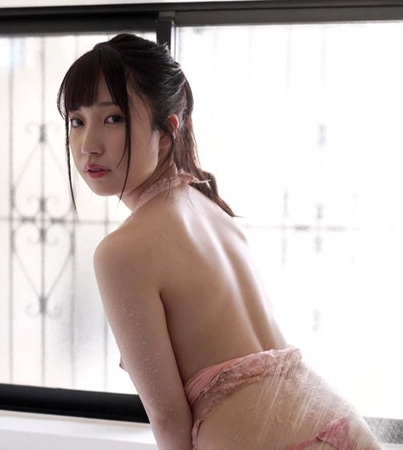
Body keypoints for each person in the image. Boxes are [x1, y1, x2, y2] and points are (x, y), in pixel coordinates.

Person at [57, 33, 380, 450]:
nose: (88, 145)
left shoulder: (122, 252)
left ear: (167, 132)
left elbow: (169, 418)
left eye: (113, 118)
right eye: (76, 121)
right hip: (339, 422)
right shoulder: (211, 210)